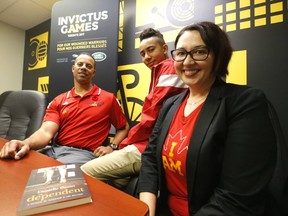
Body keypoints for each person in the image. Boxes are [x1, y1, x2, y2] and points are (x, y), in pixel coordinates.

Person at [137, 21, 277, 215]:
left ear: (218, 57)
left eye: (199, 52)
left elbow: (235, 198)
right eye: (181, 53)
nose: (187, 62)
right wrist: (147, 210)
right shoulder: (171, 104)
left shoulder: (245, 103)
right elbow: (151, 158)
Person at [81, 28, 187, 188]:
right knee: (117, 182)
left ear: (164, 49)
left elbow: (151, 119)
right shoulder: (160, 71)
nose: (147, 57)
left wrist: (120, 145)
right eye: (143, 54)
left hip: (154, 146)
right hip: (152, 143)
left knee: (84, 171)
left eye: (151, 50)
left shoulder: (169, 68)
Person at [0, 52, 129, 165]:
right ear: (73, 68)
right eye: (80, 64)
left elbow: (123, 127)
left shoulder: (108, 98)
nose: (83, 67)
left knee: (52, 178)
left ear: (93, 73)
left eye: (88, 66)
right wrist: (26, 143)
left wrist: (112, 147)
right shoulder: (59, 100)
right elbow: (45, 132)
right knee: (17, 163)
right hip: (53, 150)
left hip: (83, 154)